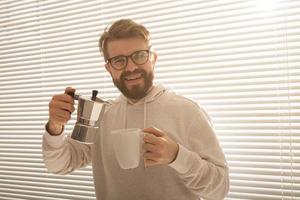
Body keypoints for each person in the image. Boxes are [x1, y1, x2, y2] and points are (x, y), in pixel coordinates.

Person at [43, 19, 229, 200]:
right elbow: (59, 164)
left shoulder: (187, 112)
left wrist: (176, 155)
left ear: (153, 58)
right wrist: (55, 126)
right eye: (119, 60)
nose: (130, 67)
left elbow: (219, 190)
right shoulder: (102, 114)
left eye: (139, 55)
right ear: (108, 68)